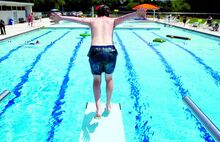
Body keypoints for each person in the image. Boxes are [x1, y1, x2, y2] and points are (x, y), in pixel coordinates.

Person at [51, 5, 146, 118]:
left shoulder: (92, 20)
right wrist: (136, 14)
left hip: (95, 51)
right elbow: (125, 17)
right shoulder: (112, 21)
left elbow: (77, 19)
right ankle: (108, 104)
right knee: (109, 78)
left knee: (96, 80)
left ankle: (98, 108)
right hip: (109, 51)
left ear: (97, 13)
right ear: (108, 13)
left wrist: (61, 17)